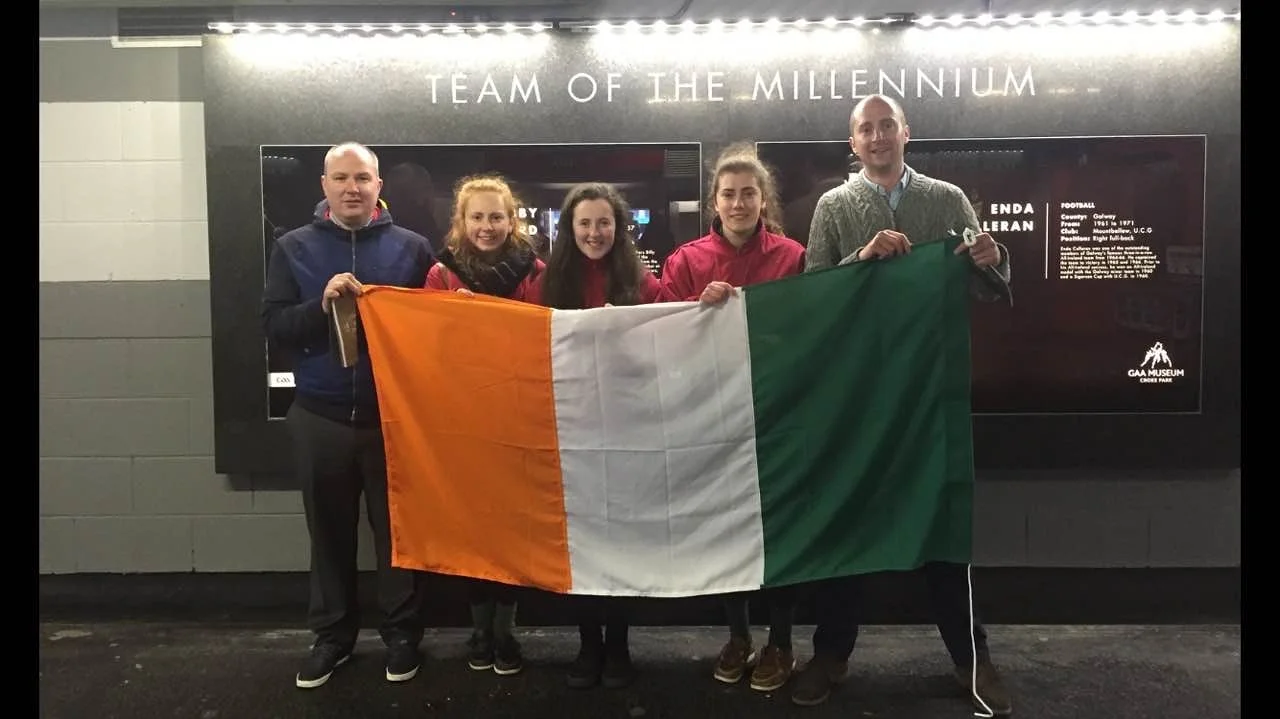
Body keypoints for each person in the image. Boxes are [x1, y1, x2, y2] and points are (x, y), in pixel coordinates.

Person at [793, 95, 1014, 716]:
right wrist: (860, 258)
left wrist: (993, 261)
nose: (878, 135)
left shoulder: (946, 199)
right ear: (853, 141)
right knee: (849, 518)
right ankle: (831, 654)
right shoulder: (834, 207)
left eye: (887, 125)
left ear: (905, 133)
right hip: (859, 390)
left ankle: (973, 658)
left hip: (929, 387)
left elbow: (988, 284)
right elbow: (814, 292)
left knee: (943, 523)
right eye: (867, 128)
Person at [261, 142, 435, 690]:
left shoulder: (413, 249)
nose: (352, 187)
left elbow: (435, 327)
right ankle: (332, 638)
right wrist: (322, 305)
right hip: (320, 416)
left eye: (363, 178)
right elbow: (274, 326)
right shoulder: (293, 247)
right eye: (341, 178)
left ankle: (403, 636)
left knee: (398, 535)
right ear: (324, 186)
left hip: (394, 419)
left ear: (379, 186)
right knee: (328, 534)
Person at [658, 143, 806, 692]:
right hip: (713, 413)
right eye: (729, 194)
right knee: (728, 527)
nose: (739, 202)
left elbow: (807, 329)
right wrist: (699, 310)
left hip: (776, 411)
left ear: (763, 199)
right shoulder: (688, 262)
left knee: (780, 525)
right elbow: (665, 336)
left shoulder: (792, 257)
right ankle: (739, 634)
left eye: (749, 192)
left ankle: (782, 641)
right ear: (713, 203)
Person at [538, 182, 662, 689]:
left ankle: (619, 646)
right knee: (582, 543)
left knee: (621, 542)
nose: (594, 232)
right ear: (570, 228)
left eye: (604, 223)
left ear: (619, 227)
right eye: (585, 223)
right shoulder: (545, 282)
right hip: (570, 431)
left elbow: (668, 342)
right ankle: (588, 645)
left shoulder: (643, 282)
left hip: (627, 430)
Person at [425, 175, 545, 676]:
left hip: (517, 417)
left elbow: (544, 331)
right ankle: (480, 630)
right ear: (462, 221)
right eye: (477, 216)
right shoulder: (440, 275)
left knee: (512, 530)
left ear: (511, 219)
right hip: (465, 421)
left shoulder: (534, 271)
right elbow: (426, 342)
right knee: (474, 531)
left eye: (497, 216)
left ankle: (506, 630)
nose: (487, 226)